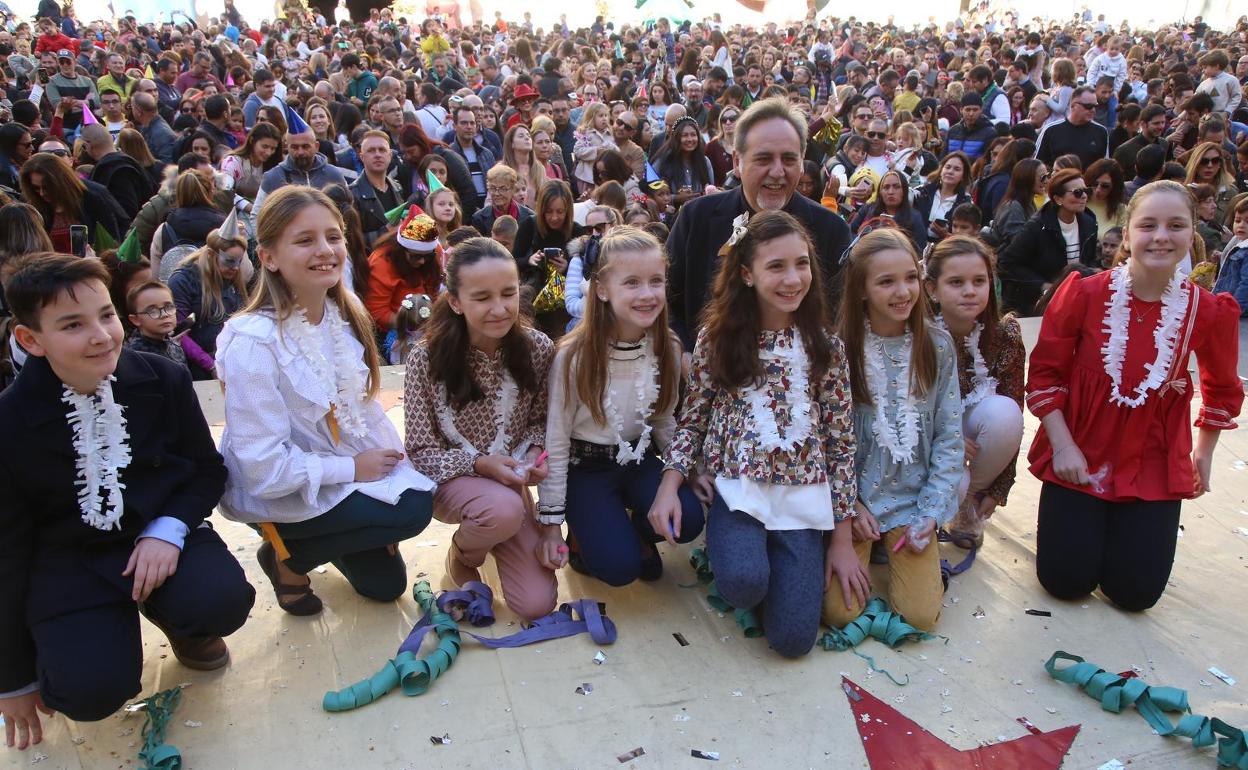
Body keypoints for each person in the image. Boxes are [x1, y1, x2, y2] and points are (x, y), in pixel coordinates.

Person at [0, 255, 253, 746]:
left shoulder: (164, 378)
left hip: (158, 532)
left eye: (107, 315)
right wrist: (12, 677)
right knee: (88, 692)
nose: (100, 335)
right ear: (31, 340)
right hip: (69, 559)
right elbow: (6, 550)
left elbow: (205, 470)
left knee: (220, 600)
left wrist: (169, 529)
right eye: (73, 325)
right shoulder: (9, 422)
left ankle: (178, 617)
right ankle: (83, 644)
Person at [217, 186, 436, 615]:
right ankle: (287, 556)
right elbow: (264, 470)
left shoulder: (341, 312)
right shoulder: (253, 342)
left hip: (338, 473)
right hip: (285, 488)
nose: (325, 250)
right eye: (305, 240)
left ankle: (303, 546)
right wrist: (354, 470)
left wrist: (390, 468)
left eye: (333, 237)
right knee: (411, 509)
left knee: (386, 585)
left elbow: (363, 414)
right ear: (269, 257)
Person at [1026, 181, 1242, 611]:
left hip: (1155, 458)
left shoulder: (1208, 310)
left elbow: (1222, 387)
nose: (1161, 235)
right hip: (1080, 454)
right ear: (1127, 235)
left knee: (1135, 596)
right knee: (1064, 583)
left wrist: (1203, 453)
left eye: (1175, 225)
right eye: (1148, 225)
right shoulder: (1084, 293)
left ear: (1191, 234)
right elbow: (1046, 374)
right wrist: (1063, 446)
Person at [652, 210, 855, 657]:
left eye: (801, 264)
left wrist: (842, 537)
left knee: (793, 642)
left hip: (804, 501)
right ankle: (739, 552)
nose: (792, 278)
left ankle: (783, 563)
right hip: (739, 490)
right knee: (744, 584)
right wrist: (672, 483)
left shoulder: (827, 348)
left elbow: (841, 444)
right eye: (776, 266)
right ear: (747, 273)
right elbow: (694, 418)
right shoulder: (716, 339)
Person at [402, 237, 560, 621]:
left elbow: (540, 421)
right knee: (502, 510)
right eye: (482, 297)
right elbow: (421, 451)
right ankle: (464, 553)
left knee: (537, 605)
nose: (499, 308)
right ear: (455, 301)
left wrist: (529, 458)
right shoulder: (426, 357)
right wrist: (480, 465)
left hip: (511, 482)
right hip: (452, 479)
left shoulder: (538, 348)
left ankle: (496, 531)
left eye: (508, 293)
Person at [540, 227, 704, 584]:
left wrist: (684, 475)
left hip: (638, 457)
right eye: (631, 283)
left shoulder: (668, 347)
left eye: (655, 281)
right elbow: (556, 440)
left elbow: (662, 420)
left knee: (690, 519)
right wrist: (551, 525)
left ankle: (637, 531)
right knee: (620, 569)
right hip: (586, 466)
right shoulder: (573, 357)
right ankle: (584, 535)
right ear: (601, 290)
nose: (647, 294)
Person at [824, 228, 962, 633]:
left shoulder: (936, 346)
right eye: (886, 281)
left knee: (919, 618)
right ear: (862, 289)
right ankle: (863, 551)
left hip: (913, 504)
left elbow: (950, 436)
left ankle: (907, 555)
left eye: (910, 278)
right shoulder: (839, 351)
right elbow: (827, 443)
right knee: (838, 613)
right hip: (857, 506)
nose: (902, 291)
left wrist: (930, 515)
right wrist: (850, 509)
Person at [667, 98, 850, 351]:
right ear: (736, 163)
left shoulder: (831, 230)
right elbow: (667, 304)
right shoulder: (695, 219)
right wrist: (686, 355)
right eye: (763, 159)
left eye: (788, 159)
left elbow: (840, 320)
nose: (777, 172)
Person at [925, 237, 1026, 546]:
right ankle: (925, 514)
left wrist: (998, 490)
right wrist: (945, 436)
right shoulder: (916, 334)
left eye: (979, 281)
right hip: (923, 436)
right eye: (956, 282)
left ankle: (970, 503)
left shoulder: (1004, 335)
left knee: (1005, 415)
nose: (970, 290)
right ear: (932, 289)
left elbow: (1016, 407)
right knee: (952, 481)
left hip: (973, 423)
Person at [999, 169, 1099, 315]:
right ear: (1058, 199)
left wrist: (1093, 271)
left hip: (1077, 298)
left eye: (1086, 191)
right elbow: (1008, 263)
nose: (1084, 196)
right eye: (1078, 192)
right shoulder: (1037, 227)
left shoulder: (1089, 222)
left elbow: (1089, 259)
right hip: (1039, 304)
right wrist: (1043, 285)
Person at [168, 213, 248, 379]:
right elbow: (177, 331)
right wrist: (210, 365)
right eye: (230, 261)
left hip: (230, 362)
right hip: (196, 368)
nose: (236, 268)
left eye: (239, 261)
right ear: (212, 255)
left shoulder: (232, 278)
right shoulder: (183, 280)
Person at [19, 152, 124, 254]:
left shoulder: (93, 196)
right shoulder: (33, 205)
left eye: (47, 187)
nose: (42, 193)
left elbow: (115, 237)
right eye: (36, 188)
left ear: (60, 181)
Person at [366, 208, 444, 333]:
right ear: (402, 249)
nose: (422, 261)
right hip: (396, 331)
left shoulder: (435, 252)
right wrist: (414, 325)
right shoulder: (381, 262)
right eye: (416, 256)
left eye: (427, 256)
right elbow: (377, 312)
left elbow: (434, 292)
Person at [254, 109, 347, 213]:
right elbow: (257, 215)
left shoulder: (334, 174)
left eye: (305, 146)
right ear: (287, 148)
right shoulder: (273, 177)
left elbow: (348, 211)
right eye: (294, 147)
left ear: (316, 146)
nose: (300, 152)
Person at [349, 129, 404, 248]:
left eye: (382, 150)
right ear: (362, 157)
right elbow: (351, 241)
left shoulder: (398, 188)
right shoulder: (352, 194)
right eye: (371, 150)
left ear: (389, 156)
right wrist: (385, 231)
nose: (377, 154)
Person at [850, 170, 928, 251]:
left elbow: (919, 251)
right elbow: (851, 232)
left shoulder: (914, 217)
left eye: (896, 187)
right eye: (886, 187)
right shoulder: (868, 209)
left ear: (904, 191)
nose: (891, 192)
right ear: (880, 192)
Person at [1035, 87, 1110, 169]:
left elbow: (1104, 167)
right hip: (1058, 180)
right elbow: (1038, 165)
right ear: (1073, 105)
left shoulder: (1101, 132)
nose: (1093, 110)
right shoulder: (1051, 130)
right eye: (1088, 106)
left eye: (1095, 106)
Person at [652, 116, 714, 209]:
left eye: (693, 135)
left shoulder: (705, 162)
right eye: (684, 135)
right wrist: (676, 198)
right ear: (676, 138)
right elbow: (653, 194)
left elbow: (711, 191)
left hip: (700, 212)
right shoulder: (662, 162)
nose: (690, 139)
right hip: (671, 216)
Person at [221, 122, 283, 209]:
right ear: (252, 140)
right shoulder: (233, 162)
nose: (269, 153)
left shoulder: (273, 166)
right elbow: (224, 190)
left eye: (273, 149)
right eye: (264, 146)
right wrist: (248, 207)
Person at [913, 153, 972, 242]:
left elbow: (965, 240)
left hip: (945, 251)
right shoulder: (922, 192)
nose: (950, 171)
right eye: (947, 167)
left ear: (963, 176)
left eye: (957, 169)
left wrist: (945, 235)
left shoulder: (966, 203)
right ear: (941, 170)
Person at [990, 159, 1048, 249]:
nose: (1046, 181)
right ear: (1027, 178)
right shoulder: (1013, 207)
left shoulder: (1028, 203)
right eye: (1042, 177)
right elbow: (1019, 244)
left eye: (1047, 176)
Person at [471, 164, 534, 237]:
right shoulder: (479, 218)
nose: (497, 193)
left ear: (513, 189)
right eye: (493, 188)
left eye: (503, 189)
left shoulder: (529, 217)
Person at [572, 103, 617, 193]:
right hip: (588, 176)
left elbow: (617, 152)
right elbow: (578, 150)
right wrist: (596, 151)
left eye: (606, 115)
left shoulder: (610, 133)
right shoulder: (586, 133)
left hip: (605, 174)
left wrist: (612, 148)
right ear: (592, 117)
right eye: (600, 116)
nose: (604, 118)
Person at [1084, 158, 1127, 238]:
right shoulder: (1079, 203)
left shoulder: (1121, 210)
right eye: (1095, 184)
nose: (1098, 190)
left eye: (1105, 186)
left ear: (1115, 187)